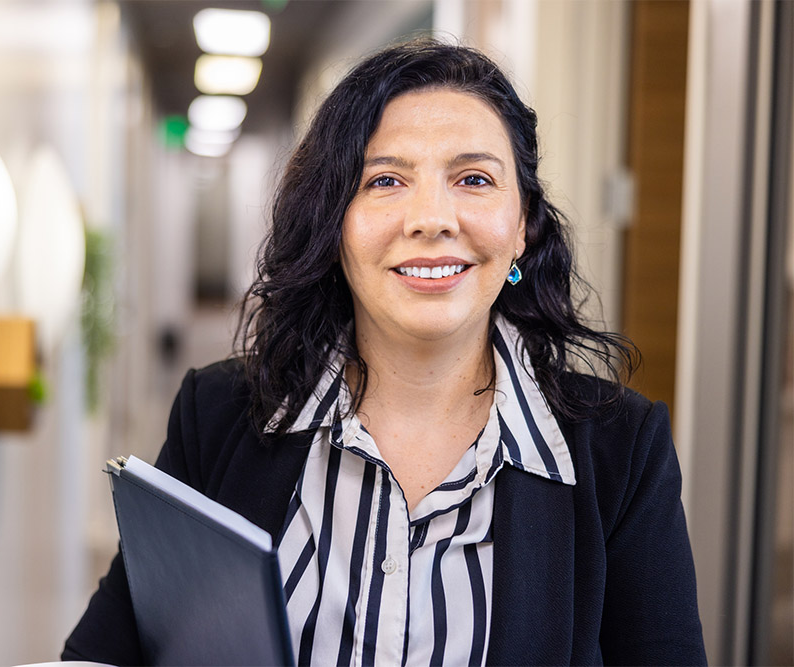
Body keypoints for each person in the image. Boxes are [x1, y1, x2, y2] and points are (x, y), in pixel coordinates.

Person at [62, 38, 706, 666]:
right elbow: (105, 652)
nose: (431, 218)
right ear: (333, 222)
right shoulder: (219, 415)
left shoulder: (621, 452)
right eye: (385, 180)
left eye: (474, 178)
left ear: (522, 226)